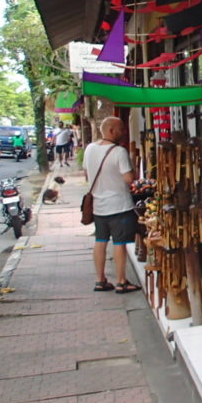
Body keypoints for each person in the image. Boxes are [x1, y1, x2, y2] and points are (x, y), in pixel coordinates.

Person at [83, 117, 141, 293]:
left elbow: (86, 174)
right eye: (120, 129)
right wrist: (133, 164)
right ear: (110, 130)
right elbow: (129, 179)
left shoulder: (90, 149)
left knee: (100, 241)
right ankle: (121, 282)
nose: (122, 133)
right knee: (119, 243)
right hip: (119, 206)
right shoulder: (119, 152)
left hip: (98, 206)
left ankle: (100, 280)